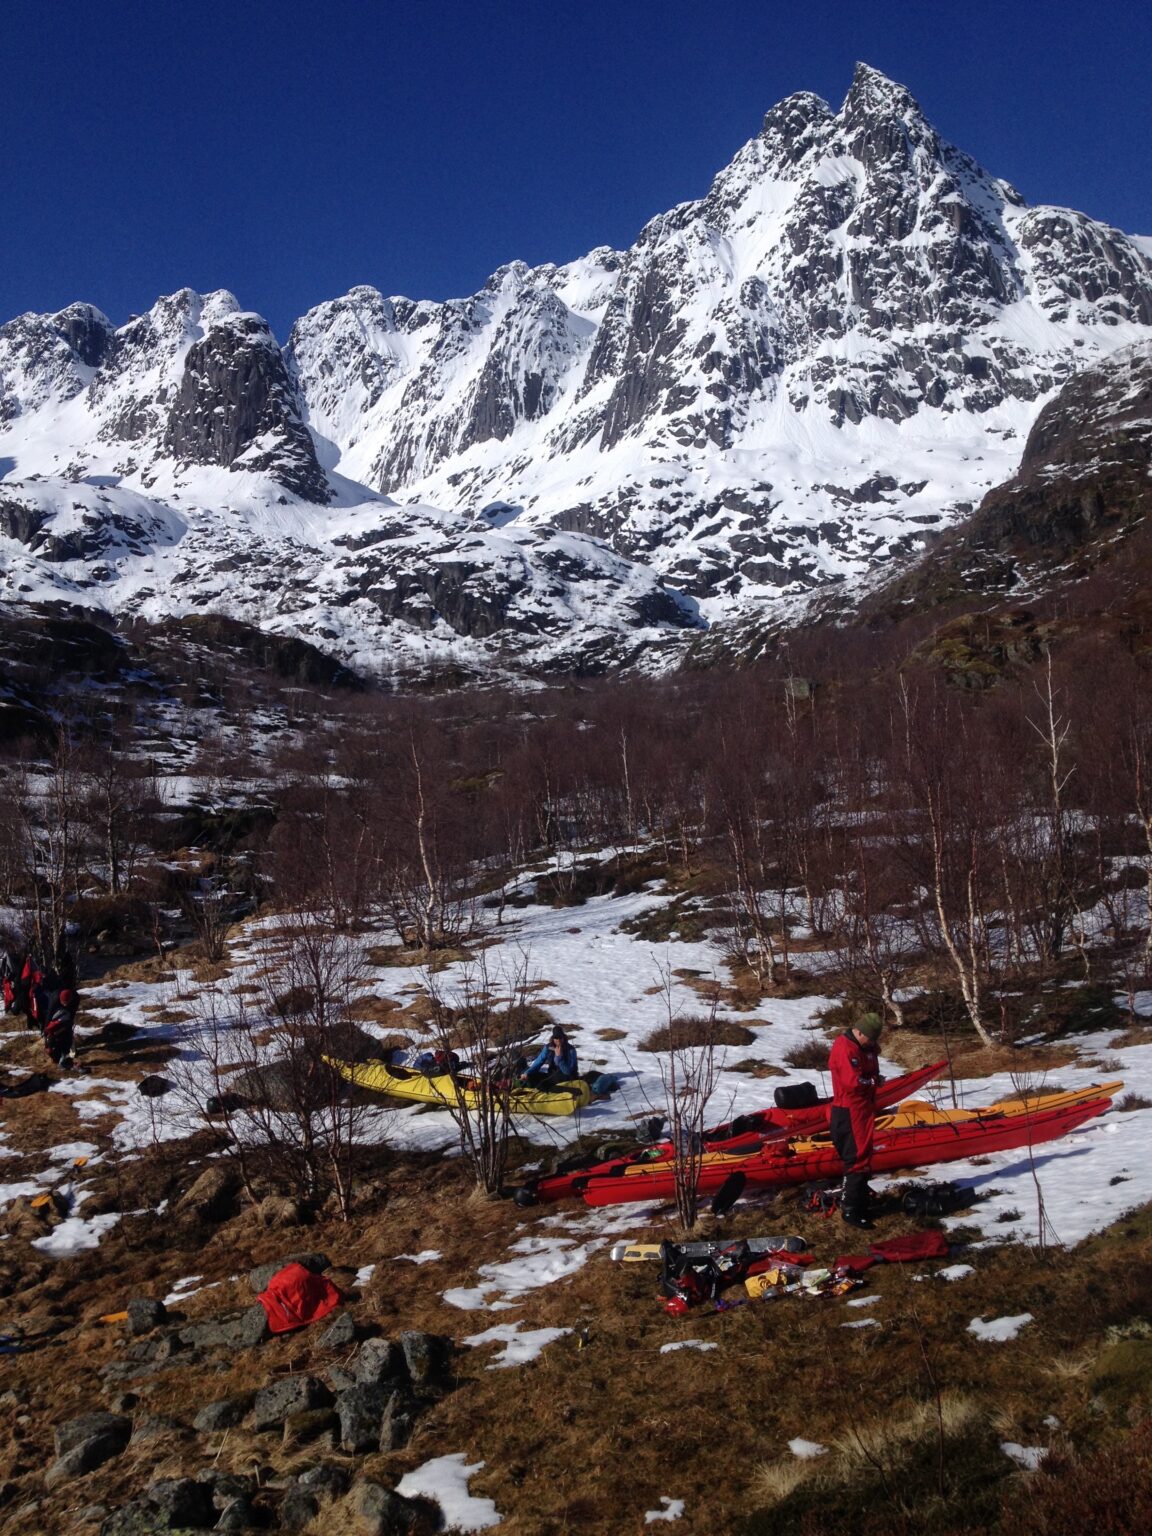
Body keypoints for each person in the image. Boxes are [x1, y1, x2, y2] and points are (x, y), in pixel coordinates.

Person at [828, 1011, 884, 1229]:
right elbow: (853, 1082)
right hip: (849, 1110)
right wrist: (872, 1082)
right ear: (859, 1032)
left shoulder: (866, 1047)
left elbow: (869, 1070)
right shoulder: (845, 1048)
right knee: (857, 1157)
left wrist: (874, 1078)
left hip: (863, 1109)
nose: (871, 1043)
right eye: (869, 1039)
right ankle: (850, 1208)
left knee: (864, 1154)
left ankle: (860, 1200)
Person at [44, 988, 78, 1069]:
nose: (65, 1005)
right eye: (63, 1002)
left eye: (66, 1002)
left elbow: (72, 1014)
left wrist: (69, 1024)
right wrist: (46, 1029)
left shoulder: (75, 998)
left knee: (67, 1030)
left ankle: (66, 1052)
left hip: (66, 1017)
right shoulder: (54, 1000)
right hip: (56, 1016)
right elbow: (49, 1015)